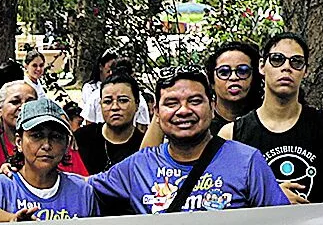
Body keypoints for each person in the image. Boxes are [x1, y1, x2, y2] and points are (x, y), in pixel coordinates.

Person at [88, 70, 288, 214]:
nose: (183, 111)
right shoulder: (137, 167)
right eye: (171, 103)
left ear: (211, 106)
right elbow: (80, 189)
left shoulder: (247, 162)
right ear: (156, 113)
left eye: (194, 101)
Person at [224, 33, 323, 204]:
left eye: (296, 62)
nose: (286, 67)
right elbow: (220, 195)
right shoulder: (232, 133)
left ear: (305, 70)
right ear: (262, 66)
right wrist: (272, 195)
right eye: (277, 59)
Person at [0, 99, 100, 219]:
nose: (46, 145)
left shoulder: (82, 192)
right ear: (19, 142)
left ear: (67, 145)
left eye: (56, 137)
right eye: (37, 136)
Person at [77, 74, 145, 174]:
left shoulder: (144, 145)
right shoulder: (81, 138)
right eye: (108, 102)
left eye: (123, 100)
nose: (115, 107)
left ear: (137, 104)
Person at [207, 40, 263, 129]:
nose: (234, 77)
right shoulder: (202, 124)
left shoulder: (265, 121)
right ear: (212, 82)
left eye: (243, 71)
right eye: (224, 72)